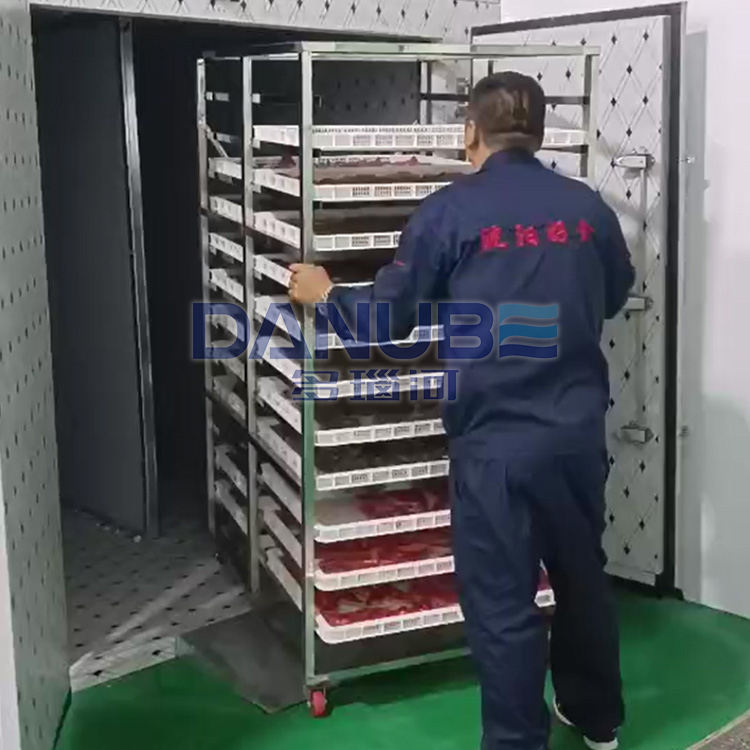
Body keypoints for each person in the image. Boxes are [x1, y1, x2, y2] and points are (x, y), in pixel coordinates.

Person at [289, 71, 634, 750]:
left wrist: (327, 294)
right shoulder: (587, 208)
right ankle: (599, 721)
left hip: (495, 446)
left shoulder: (449, 212)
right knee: (582, 580)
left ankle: (516, 742)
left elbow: (388, 321)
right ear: (538, 133)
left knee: (503, 604)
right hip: (574, 436)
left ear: (470, 131)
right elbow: (616, 293)